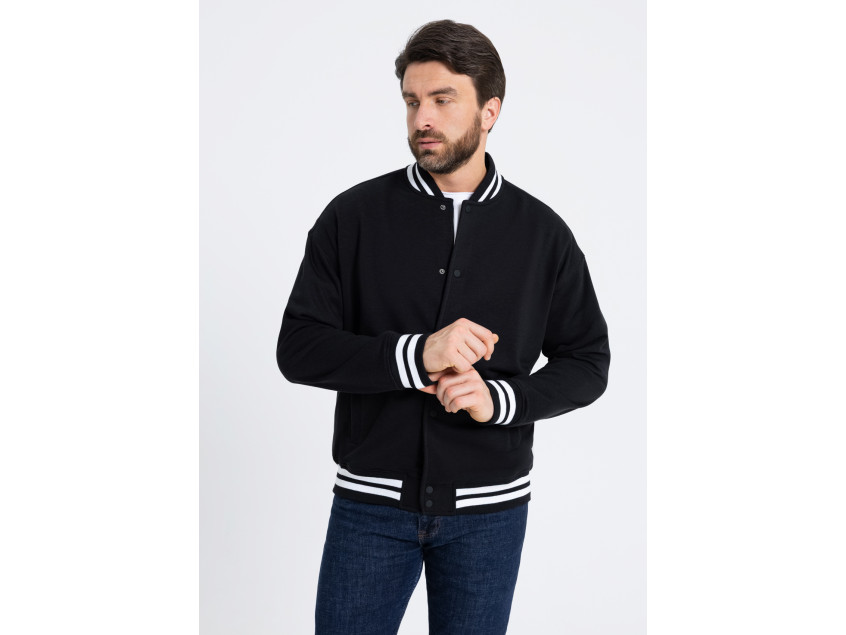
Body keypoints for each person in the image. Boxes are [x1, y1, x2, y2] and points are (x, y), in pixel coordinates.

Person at [277, 19, 610, 634]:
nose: (422, 118)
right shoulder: (352, 218)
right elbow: (298, 348)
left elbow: (588, 362)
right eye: (412, 101)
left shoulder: (543, 235)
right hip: (369, 506)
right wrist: (417, 355)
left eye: (442, 99)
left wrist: (500, 400)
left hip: (490, 516)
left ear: (490, 111)